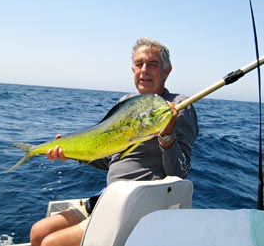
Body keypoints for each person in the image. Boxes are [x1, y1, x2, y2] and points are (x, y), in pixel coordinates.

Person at [30, 37, 199, 246]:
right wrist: (73, 154)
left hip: (140, 202)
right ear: (133, 69)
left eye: (152, 64)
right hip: (109, 196)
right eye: (139, 64)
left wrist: (167, 135)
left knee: (51, 243)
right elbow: (109, 159)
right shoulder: (126, 103)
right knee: (38, 232)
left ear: (167, 70)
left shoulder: (179, 106)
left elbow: (180, 173)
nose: (144, 70)